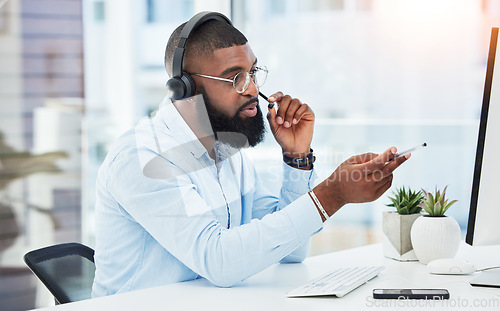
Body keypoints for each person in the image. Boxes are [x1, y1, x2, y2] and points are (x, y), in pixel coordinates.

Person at [91, 12, 408, 297]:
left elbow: (292, 251)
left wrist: (297, 159)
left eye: (253, 73)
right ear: (185, 89)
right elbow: (219, 261)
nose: (253, 89)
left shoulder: (226, 149)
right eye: (235, 78)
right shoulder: (142, 157)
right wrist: (332, 195)